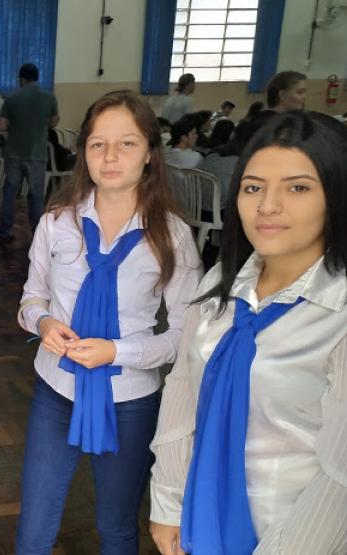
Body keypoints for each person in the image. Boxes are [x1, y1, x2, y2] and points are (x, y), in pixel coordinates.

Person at [149, 111, 347, 555]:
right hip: (201, 520)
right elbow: (182, 390)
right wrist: (168, 501)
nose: (268, 206)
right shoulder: (222, 280)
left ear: (336, 195)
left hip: (293, 537)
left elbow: (341, 481)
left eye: (297, 188)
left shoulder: (338, 314)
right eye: (253, 187)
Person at [16, 90, 202, 554]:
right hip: (56, 390)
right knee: (35, 526)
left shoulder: (173, 235)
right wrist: (41, 323)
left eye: (127, 144)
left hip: (130, 400)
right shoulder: (57, 223)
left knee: (117, 526)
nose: (111, 156)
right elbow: (31, 297)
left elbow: (185, 334)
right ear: (83, 153)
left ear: (151, 154)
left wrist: (118, 352)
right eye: (98, 144)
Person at [0, 63, 59, 247]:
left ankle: (5, 232)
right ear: (37, 77)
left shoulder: (12, 98)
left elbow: (1, 125)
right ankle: (37, 235)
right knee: (36, 195)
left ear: (21, 79)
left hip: (14, 153)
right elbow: (54, 122)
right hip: (37, 153)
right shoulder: (49, 97)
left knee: (10, 193)